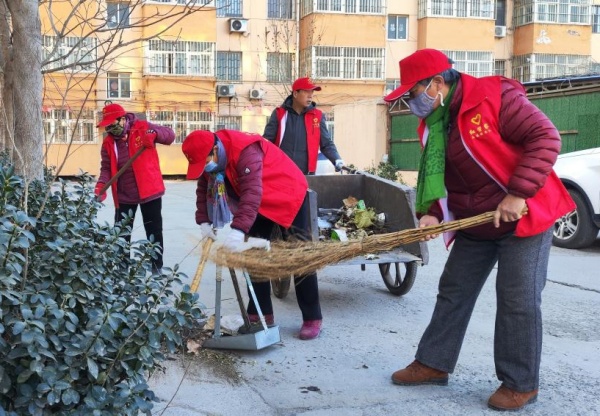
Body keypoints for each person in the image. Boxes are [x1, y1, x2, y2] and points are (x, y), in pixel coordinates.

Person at [383, 49, 575, 411]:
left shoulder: (495, 96)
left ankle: (520, 383)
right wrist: (431, 214)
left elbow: (546, 138)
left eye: (413, 93)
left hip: (524, 215)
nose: (411, 102)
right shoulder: (438, 121)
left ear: (438, 83)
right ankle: (433, 363)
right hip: (478, 220)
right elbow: (439, 172)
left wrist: (518, 193)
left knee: (517, 298)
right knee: (453, 290)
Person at [182, 129, 324, 340]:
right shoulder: (211, 155)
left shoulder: (245, 150)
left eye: (204, 162)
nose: (205, 168)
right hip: (257, 200)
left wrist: (238, 230)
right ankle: (261, 313)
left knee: (298, 255)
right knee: (254, 255)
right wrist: (203, 220)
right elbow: (203, 187)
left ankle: (312, 317)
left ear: (214, 149)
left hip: (286, 191)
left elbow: (251, 193)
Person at [95, 103, 175, 272]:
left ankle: (155, 268)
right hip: (124, 195)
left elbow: (169, 135)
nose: (110, 128)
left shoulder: (142, 127)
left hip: (149, 192)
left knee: (154, 232)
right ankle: (123, 270)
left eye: (112, 124)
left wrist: (154, 134)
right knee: (122, 234)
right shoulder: (109, 143)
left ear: (122, 120)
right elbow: (106, 168)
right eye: (107, 126)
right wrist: (101, 185)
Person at [263, 77, 344, 174]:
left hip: (306, 175)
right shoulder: (279, 114)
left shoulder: (317, 116)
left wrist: (337, 159)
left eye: (312, 92)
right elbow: (267, 142)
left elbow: (326, 144)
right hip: (281, 173)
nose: (310, 96)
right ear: (295, 94)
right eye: (306, 92)